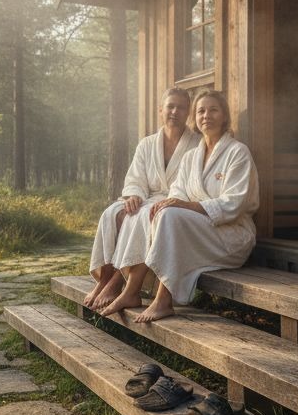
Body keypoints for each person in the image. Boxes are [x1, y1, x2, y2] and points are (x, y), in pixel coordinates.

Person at [100, 89, 258, 323]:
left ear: (224, 116)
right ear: (195, 117)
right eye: (201, 111)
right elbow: (177, 193)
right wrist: (171, 204)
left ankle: (162, 300)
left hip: (231, 235)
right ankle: (131, 292)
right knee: (159, 211)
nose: (207, 115)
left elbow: (234, 204)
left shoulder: (237, 152)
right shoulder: (191, 157)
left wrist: (188, 206)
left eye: (213, 110)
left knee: (169, 216)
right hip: (202, 230)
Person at [84, 87, 199, 310]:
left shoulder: (196, 144)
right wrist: (135, 195)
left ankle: (118, 282)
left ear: (188, 112)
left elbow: (192, 183)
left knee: (145, 214)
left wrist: (171, 199)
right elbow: (136, 176)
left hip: (175, 201)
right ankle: (105, 279)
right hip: (147, 197)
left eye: (181, 107)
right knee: (112, 213)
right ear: (161, 110)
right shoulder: (147, 144)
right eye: (170, 106)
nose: (175, 111)